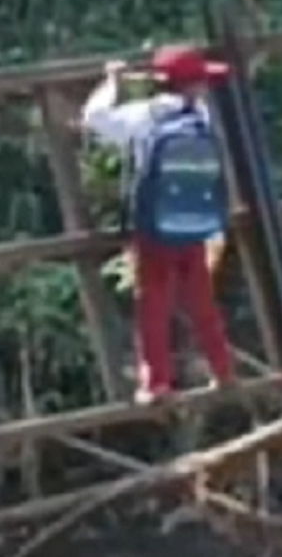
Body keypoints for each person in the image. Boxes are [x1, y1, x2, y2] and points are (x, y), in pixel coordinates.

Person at [81, 44, 236, 405]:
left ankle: (156, 383)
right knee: (201, 299)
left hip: (153, 227)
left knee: (153, 302)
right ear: (194, 85)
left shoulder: (141, 117)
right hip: (192, 220)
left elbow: (93, 118)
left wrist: (112, 81)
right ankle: (222, 369)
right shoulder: (200, 115)